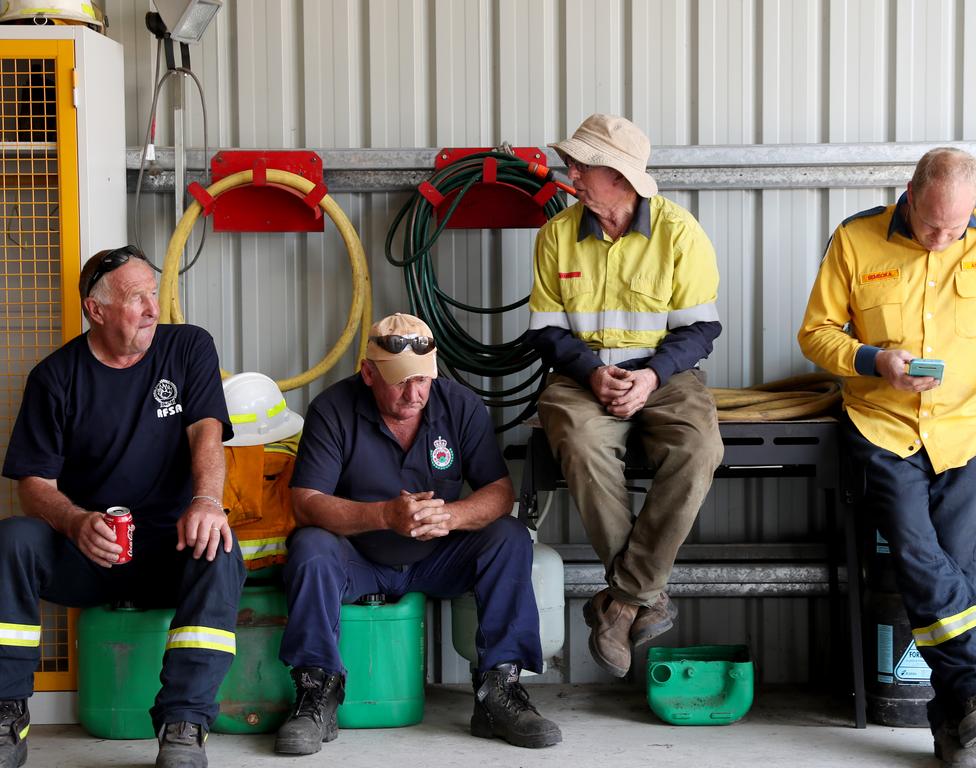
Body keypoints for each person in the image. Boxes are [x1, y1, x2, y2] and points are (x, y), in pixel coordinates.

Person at [798, 147, 976, 768]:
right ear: (909, 192)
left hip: (967, 431)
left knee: (967, 571)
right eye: (930, 225)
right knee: (919, 557)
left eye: (956, 228)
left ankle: (956, 730)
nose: (941, 238)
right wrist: (876, 362)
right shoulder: (855, 239)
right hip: (882, 427)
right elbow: (815, 332)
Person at [0, 246, 245, 768]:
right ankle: (6, 714)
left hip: (169, 548)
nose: (154, 308)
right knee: (12, 539)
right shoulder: (55, 377)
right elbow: (33, 484)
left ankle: (185, 724)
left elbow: (207, 431)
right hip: (88, 552)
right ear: (97, 310)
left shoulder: (188, 348)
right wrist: (75, 521)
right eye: (138, 299)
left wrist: (206, 501)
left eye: (153, 294)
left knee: (220, 547)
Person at [273, 312, 561, 755]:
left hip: (438, 557)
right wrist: (384, 516)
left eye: (423, 381)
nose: (415, 393)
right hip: (360, 560)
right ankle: (317, 694)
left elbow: (499, 492)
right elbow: (306, 501)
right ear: (368, 373)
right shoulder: (333, 408)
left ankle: (499, 692)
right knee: (310, 546)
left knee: (509, 537)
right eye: (400, 381)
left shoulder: (459, 405)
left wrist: (453, 516)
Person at [524, 113, 724, 678]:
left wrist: (652, 376)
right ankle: (646, 598)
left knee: (699, 450)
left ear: (621, 177)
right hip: (580, 376)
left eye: (583, 166)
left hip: (664, 375)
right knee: (581, 441)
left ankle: (622, 602)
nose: (572, 174)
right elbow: (545, 329)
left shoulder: (679, 232)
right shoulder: (556, 236)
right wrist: (590, 372)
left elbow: (700, 328)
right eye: (574, 164)